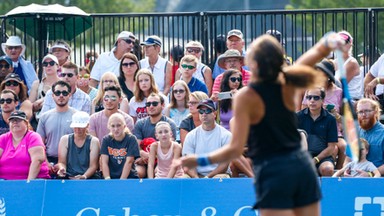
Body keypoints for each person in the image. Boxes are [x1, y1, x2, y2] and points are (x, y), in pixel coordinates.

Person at [178, 33, 338, 215]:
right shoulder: (287, 82)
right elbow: (311, 56)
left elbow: (234, 149)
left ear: (253, 63)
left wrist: (200, 159)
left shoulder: (245, 97)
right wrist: (330, 42)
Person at [182, 99, 232, 178]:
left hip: (217, 174)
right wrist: (196, 178)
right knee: (184, 178)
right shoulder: (191, 135)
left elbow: (224, 165)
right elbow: (187, 163)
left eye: (208, 111)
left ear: (215, 113)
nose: (204, 114)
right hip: (197, 175)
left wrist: (207, 178)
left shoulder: (226, 135)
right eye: (201, 111)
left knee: (221, 178)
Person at [217, 69, 254, 178]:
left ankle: (252, 179)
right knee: (233, 163)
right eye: (233, 79)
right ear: (226, 81)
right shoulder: (221, 100)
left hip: (244, 141)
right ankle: (251, 179)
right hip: (226, 138)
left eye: (239, 79)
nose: (236, 82)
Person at [133, 93, 177, 178]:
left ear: (163, 105)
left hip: (163, 160)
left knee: (158, 171)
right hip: (143, 160)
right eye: (148, 104)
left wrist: (152, 156)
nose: (151, 106)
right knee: (138, 172)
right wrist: (143, 154)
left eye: (155, 103)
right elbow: (137, 147)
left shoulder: (169, 124)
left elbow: (170, 148)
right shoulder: (140, 124)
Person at [297, 87, 338, 176]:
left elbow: (331, 147)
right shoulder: (297, 117)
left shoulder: (330, 119)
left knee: (327, 169)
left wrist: (316, 159)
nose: (312, 100)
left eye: (316, 98)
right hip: (302, 157)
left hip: (322, 158)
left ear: (322, 100)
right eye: (309, 97)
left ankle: (327, 190)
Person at [0, 110, 50, 180]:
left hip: (33, 180)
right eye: (12, 120)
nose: (14, 122)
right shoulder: (3, 138)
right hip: (5, 181)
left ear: (26, 123)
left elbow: (37, 160)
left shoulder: (33, 137)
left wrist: (28, 183)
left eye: (18, 120)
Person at [37, 81, 77, 164]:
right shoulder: (44, 117)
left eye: (65, 93)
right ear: (53, 96)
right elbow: (39, 144)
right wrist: (46, 163)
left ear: (69, 95)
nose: (61, 95)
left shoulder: (77, 116)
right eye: (57, 93)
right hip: (49, 160)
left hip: (71, 161)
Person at [56, 111, 100, 180]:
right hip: (68, 176)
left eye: (80, 127)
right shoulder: (65, 139)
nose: (77, 129)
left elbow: (93, 166)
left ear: (87, 126)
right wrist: (62, 169)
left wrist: (84, 176)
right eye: (75, 127)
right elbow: (61, 162)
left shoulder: (94, 141)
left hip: (88, 177)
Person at [100, 112, 140, 179]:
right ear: (109, 127)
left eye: (118, 125)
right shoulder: (106, 140)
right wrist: (107, 178)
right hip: (111, 176)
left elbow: (129, 162)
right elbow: (104, 162)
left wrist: (121, 181)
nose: (116, 129)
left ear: (124, 126)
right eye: (113, 126)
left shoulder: (131, 139)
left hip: (128, 177)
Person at [357, 98, 384, 176]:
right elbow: (348, 159)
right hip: (356, 177)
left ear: (375, 112)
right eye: (360, 112)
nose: (363, 115)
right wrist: (346, 171)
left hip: (379, 180)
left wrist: (370, 174)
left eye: (367, 111)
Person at [29, 54, 60, 119]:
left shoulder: (63, 83)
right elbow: (30, 105)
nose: (48, 66)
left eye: (51, 63)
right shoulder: (37, 83)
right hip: (40, 119)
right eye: (45, 64)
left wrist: (43, 101)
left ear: (58, 66)